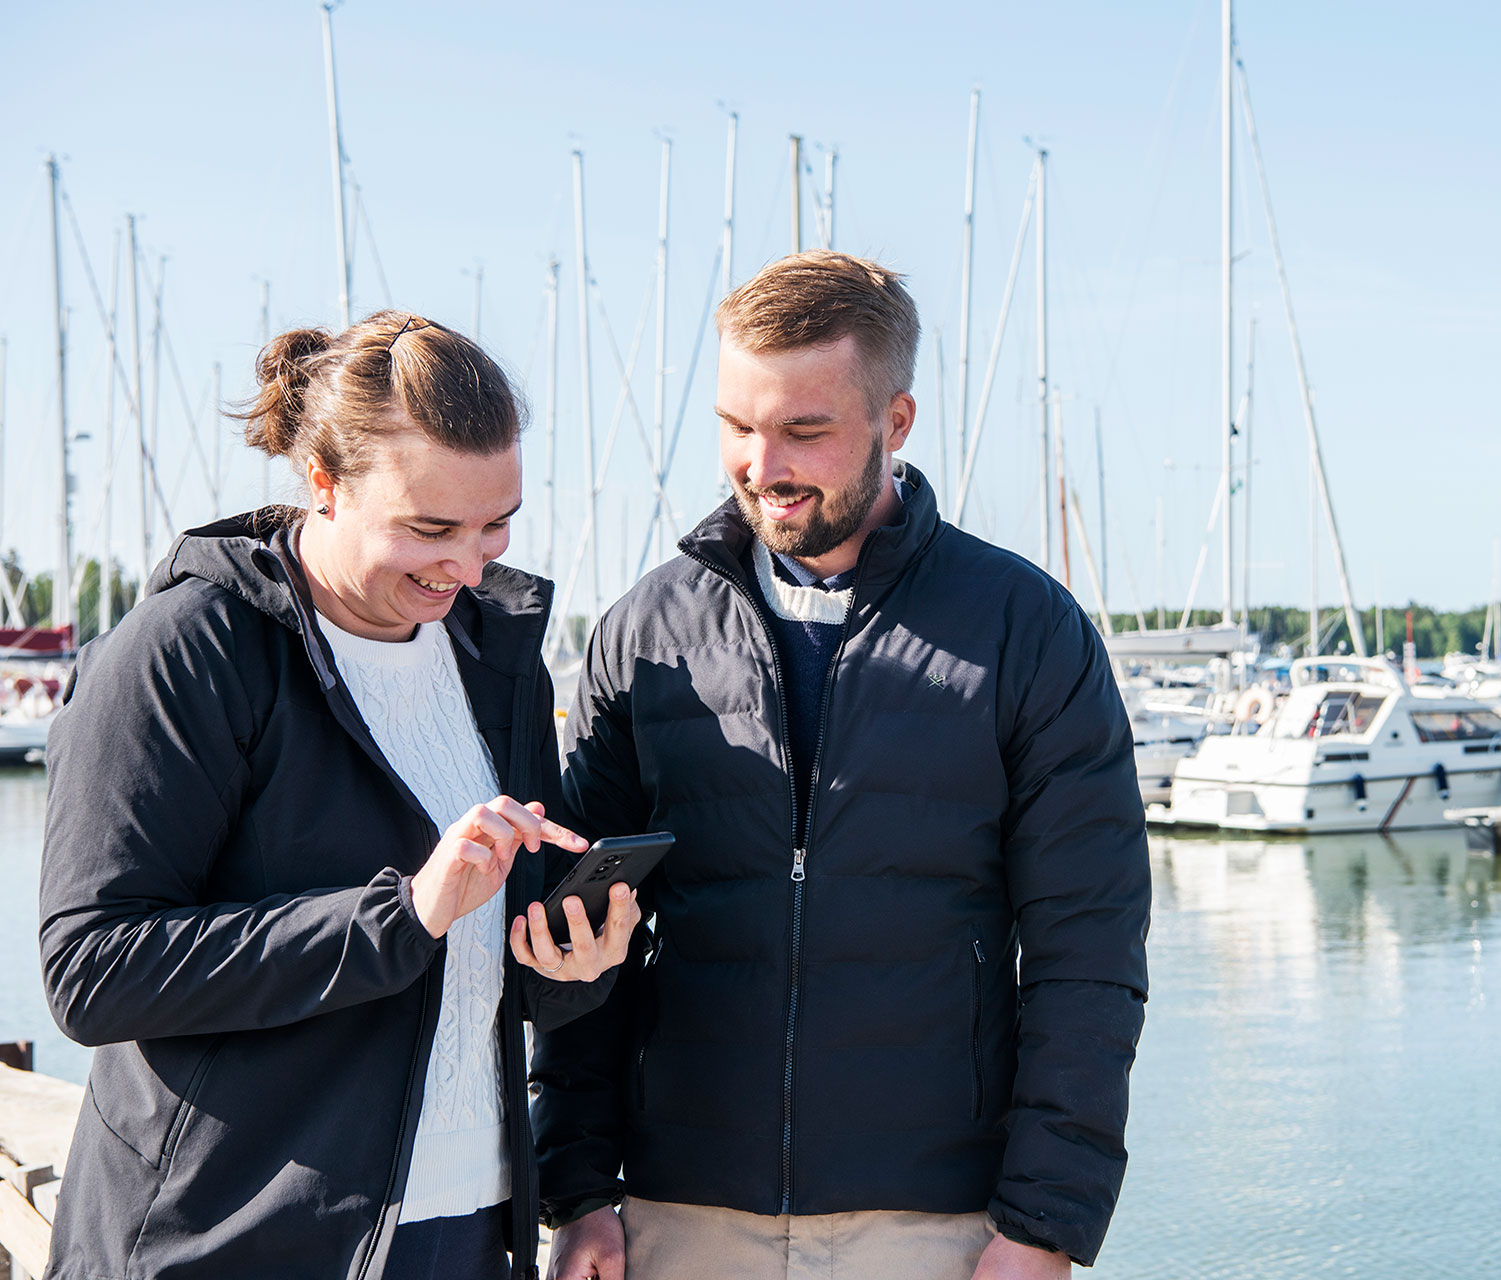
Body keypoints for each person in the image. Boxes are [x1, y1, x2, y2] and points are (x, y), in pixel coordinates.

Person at [532, 252, 1151, 1280]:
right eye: (736, 424)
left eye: (804, 430)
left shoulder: (1027, 631)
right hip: (676, 1214)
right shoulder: (642, 632)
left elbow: (1087, 956)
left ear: (895, 422)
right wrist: (581, 1193)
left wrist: (1042, 1224)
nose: (761, 461)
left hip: (936, 1223)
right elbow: (582, 944)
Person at [38, 311, 642, 1280]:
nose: (470, 565)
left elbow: (478, 971)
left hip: (469, 1226)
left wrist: (569, 967)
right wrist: (400, 912)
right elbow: (92, 969)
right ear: (324, 482)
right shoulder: (188, 649)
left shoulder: (501, 656)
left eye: (497, 523)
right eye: (430, 528)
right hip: (229, 1241)